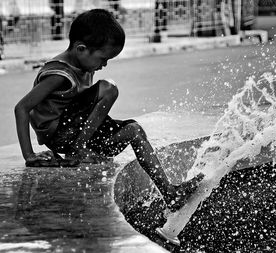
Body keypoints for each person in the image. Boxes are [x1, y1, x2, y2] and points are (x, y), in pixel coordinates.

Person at [14, 9, 203, 211]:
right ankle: (78, 150)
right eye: (102, 59)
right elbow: (22, 108)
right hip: (62, 135)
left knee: (134, 131)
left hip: (75, 130)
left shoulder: (83, 64)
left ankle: (169, 193)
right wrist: (29, 155)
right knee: (109, 89)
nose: (104, 64)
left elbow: (81, 106)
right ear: (81, 49)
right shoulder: (59, 74)